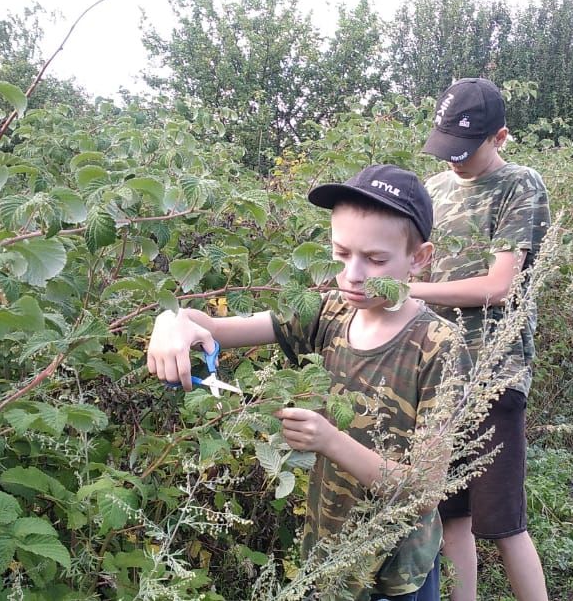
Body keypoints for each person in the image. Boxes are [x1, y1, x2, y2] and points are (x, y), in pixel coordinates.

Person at [146, 165, 469, 601]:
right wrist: (173, 321)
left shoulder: (438, 347)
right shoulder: (328, 311)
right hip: (327, 550)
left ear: (419, 258)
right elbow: (220, 328)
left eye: (375, 260)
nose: (353, 274)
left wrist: (330, 441)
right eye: (340, 253)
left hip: (393, 569)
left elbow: (427, 490)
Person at [408, 77, 551, 601]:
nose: (455, 161)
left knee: (503, 524)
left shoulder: (521, 185)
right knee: (450, 517)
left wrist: (408, 291)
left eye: (467, 150)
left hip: (494, 373)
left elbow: (500, 285)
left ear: (502, 137)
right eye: (447, 148)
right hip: (433, 374)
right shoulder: (432, 188)